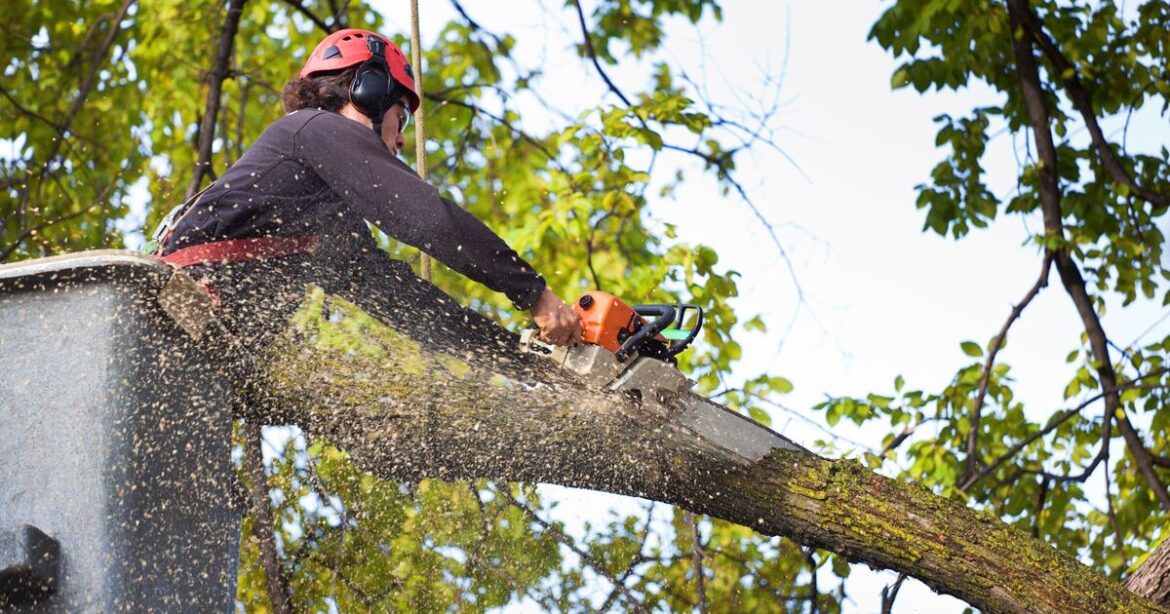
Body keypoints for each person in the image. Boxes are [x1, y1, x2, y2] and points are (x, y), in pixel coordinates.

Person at [158, 28, 582, 355]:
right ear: (370, 92)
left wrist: (522, 358)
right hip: (169, 313)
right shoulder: (313, 129)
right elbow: (428, 219)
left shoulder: (327, 222)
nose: (401, 139)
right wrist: (534, 293)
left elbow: (408, 304)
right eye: (402, 116)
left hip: (197, 348)